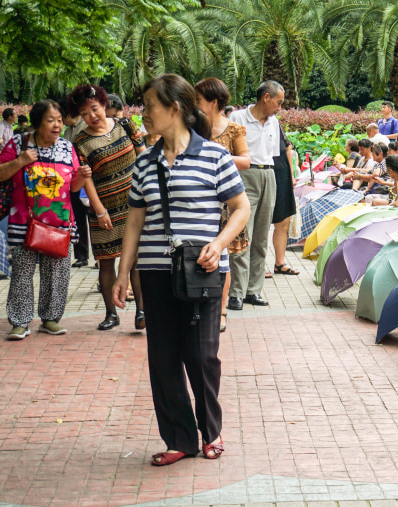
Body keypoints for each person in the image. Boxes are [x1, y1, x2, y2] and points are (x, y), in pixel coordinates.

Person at [113, 73, 250, 466]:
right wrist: (125, 274)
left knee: (202, 354)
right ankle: (180, 438)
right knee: (163, 357)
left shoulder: (214, 156)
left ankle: (211, 431)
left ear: (174, 108)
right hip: (155, 273)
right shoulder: (145, 163)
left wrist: (219, 243)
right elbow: (134, 223)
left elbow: (240, 208)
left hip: (203, 270)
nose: (143, 114)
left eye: (150, 106)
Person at [0, 100, 91, 339]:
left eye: (59, 120)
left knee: (57, 274)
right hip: (24, 222)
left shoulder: (68, 148)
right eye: (51, 120)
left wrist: (81, 177)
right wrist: (20, 162)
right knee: (22, 274)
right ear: (37, 123)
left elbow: (74, 189)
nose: (57, 125)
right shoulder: (20, 143)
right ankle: (20, 322)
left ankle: (50, 319)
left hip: (59, 221)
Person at [68, 84, 147, 331]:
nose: (91, 116)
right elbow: (86, 177)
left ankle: (142, 312)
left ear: (103, 105)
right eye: (84, 113)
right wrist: (99, 210)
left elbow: (143, 155)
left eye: (94, 109)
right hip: (105, 210)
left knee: (135, 260)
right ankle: (111, 314)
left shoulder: (125, 125)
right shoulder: (80, 141)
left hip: (135, 204)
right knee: (105, 261)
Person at [195, 77, 252, 332]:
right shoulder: (193, 127)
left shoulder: (233, 129)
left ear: (213, 102)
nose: (195, 105)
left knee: (224, 258)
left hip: (228, 203)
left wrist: (220, 156)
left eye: (199, 100)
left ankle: (221, 311)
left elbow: (247, 161)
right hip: (201, 201)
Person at [227, 80, 284, 310]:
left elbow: (274, 154)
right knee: (242, 234)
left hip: (268, 175)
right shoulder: (238, 118)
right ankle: (236, 292)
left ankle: (254, 290)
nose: (280, 107)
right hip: (244, 175)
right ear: (266, 98)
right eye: (278, 102)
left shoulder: (274, 122)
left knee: (261, 236)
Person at [60, 99, 90, 268]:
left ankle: (100, 257)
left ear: (69, 115)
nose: (60, 123)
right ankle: (82, 255)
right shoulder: (67, 131)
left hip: (86, 178)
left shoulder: (84, 128)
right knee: (77, 219)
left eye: (61, 118)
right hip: (72, 181)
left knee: (93, 219)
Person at [269, 118, 298, 277]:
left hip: (282, 174)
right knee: (260, 222)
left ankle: (279, 263)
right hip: (264, 173)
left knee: (284, 220)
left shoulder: (274, 122)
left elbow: (287, 148)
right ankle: (257, 265)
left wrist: (291, 175)